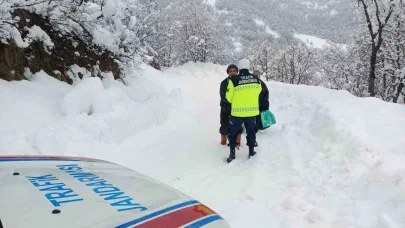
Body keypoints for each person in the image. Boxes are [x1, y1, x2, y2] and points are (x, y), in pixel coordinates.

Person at [225, 59, 267, 163]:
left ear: (239, 68)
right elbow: (259, 92)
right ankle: (251, 152)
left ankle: (232, 154)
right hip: (251, 113)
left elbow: (229, 97)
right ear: (248, 67)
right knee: (251, 132)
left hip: (237, 113)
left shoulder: (233, 80)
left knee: (233, 132)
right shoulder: (256, 79)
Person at [219, 64, 242, 147]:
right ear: (228, 72)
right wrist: (228, 102)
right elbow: (222, 95)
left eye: (234, 71)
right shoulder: (224, 83)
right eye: (231, 71)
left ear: (237, 72)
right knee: (224, 124)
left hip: (237, 108)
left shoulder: (240, 82)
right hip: (226, 107)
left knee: (237, 125)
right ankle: (223, 141)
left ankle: (237, 141)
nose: (232, 72)